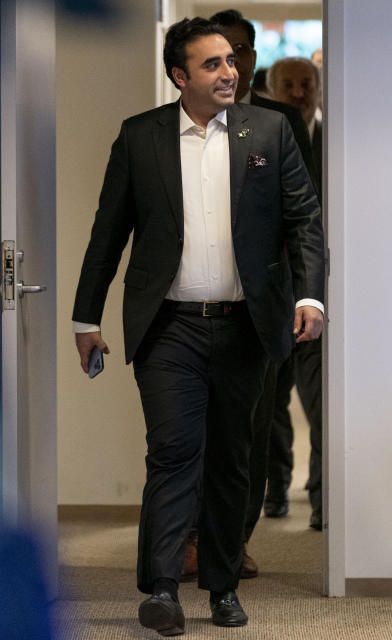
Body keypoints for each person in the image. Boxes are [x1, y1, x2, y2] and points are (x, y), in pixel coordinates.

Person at [72, 17, 325, 636]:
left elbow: (304, 221)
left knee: (234, 460)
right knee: (174, 453)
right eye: (212, 64)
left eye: (231, 62)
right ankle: (162, 588)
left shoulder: (269, 129)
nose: (229, 72)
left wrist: (312, 298)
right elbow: (109, 234)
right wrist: (87, 317)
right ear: (179, 76)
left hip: (247, 325)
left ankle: (221, 586)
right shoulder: (141, 138)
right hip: (170, 327)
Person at [176, 9, 319, 583]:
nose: (231, 64)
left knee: (257, 428)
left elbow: (301, 213)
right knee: (195, 430)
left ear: (253, 61)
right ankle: (189, 539)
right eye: (219, 54)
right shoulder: (177, 126)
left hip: (266, 305)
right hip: (195, 304)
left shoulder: (280, 121)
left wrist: (301, 294)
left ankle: (235, 538)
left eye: (240, 52)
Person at [267, 55, 325, 530]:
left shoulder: (334, 141)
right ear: (273, 89)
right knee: (269, 404)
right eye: (289, 84)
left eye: (306, 84)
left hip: (317, 294)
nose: (299, 93)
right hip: (269, 294)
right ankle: (275, 488)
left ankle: (324, 505)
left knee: (321, 401)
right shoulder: (262, 139)